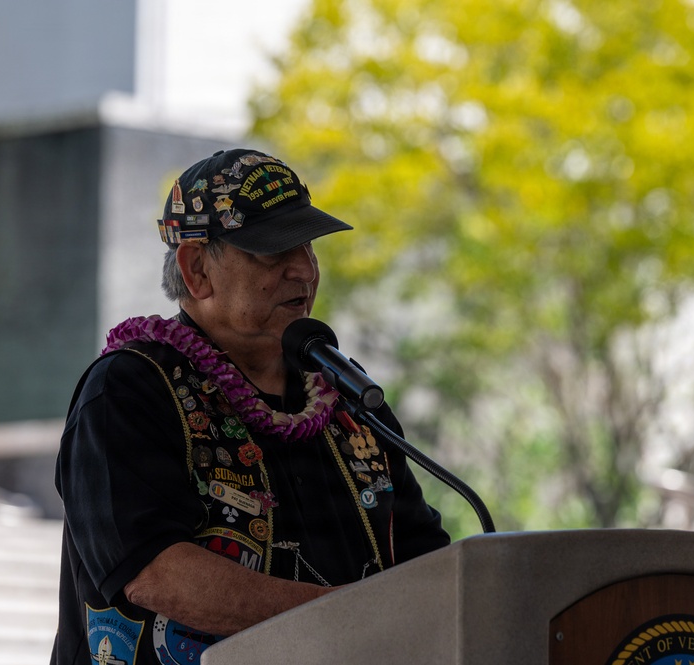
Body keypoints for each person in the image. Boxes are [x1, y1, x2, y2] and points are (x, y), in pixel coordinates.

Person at [50, 148, 451, 665]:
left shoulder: (348, 401)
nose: (304, 271)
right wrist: (354, 617)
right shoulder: (129, 389)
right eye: (273, 251)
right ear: (196, 270)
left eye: (307, 246)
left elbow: (428, 566)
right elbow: (156, 574)